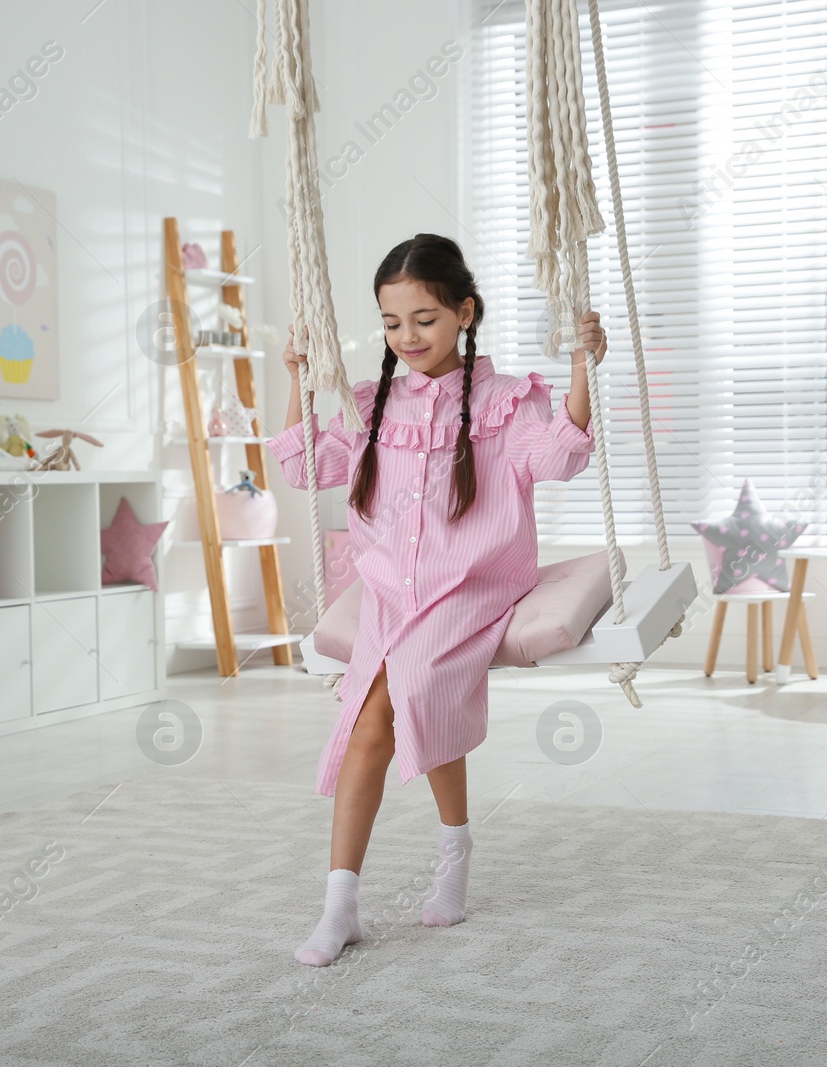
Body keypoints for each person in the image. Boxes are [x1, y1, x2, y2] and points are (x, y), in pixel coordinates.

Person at [265, 233, 607, 967]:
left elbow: (560, 458)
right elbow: (302, 464)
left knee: (397, 699)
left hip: (471, 583)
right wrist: (295, 373)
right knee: (390, 713)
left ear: (464, 312)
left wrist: (584, 367)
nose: (407, 337)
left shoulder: (504, 401)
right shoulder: (371, 404)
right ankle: (347, 902)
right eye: (392, 323)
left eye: (424, 318)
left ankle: (425, 864)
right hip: (393, 590)